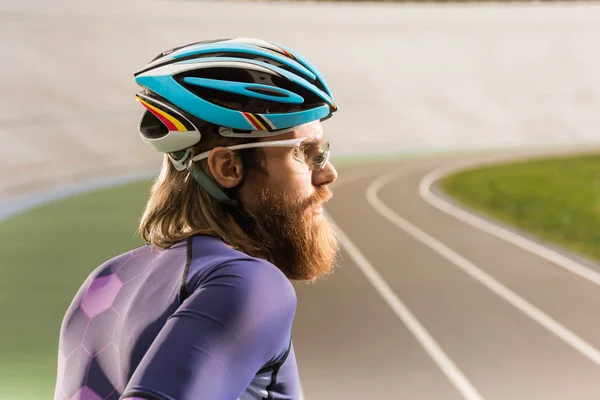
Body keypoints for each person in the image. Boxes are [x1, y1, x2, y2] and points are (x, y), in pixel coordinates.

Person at [54, 38, 340, 400]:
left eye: (323, 152)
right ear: (228, 167)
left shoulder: (105, 281)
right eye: (304, 152)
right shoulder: (249, 284)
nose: (327, 172)